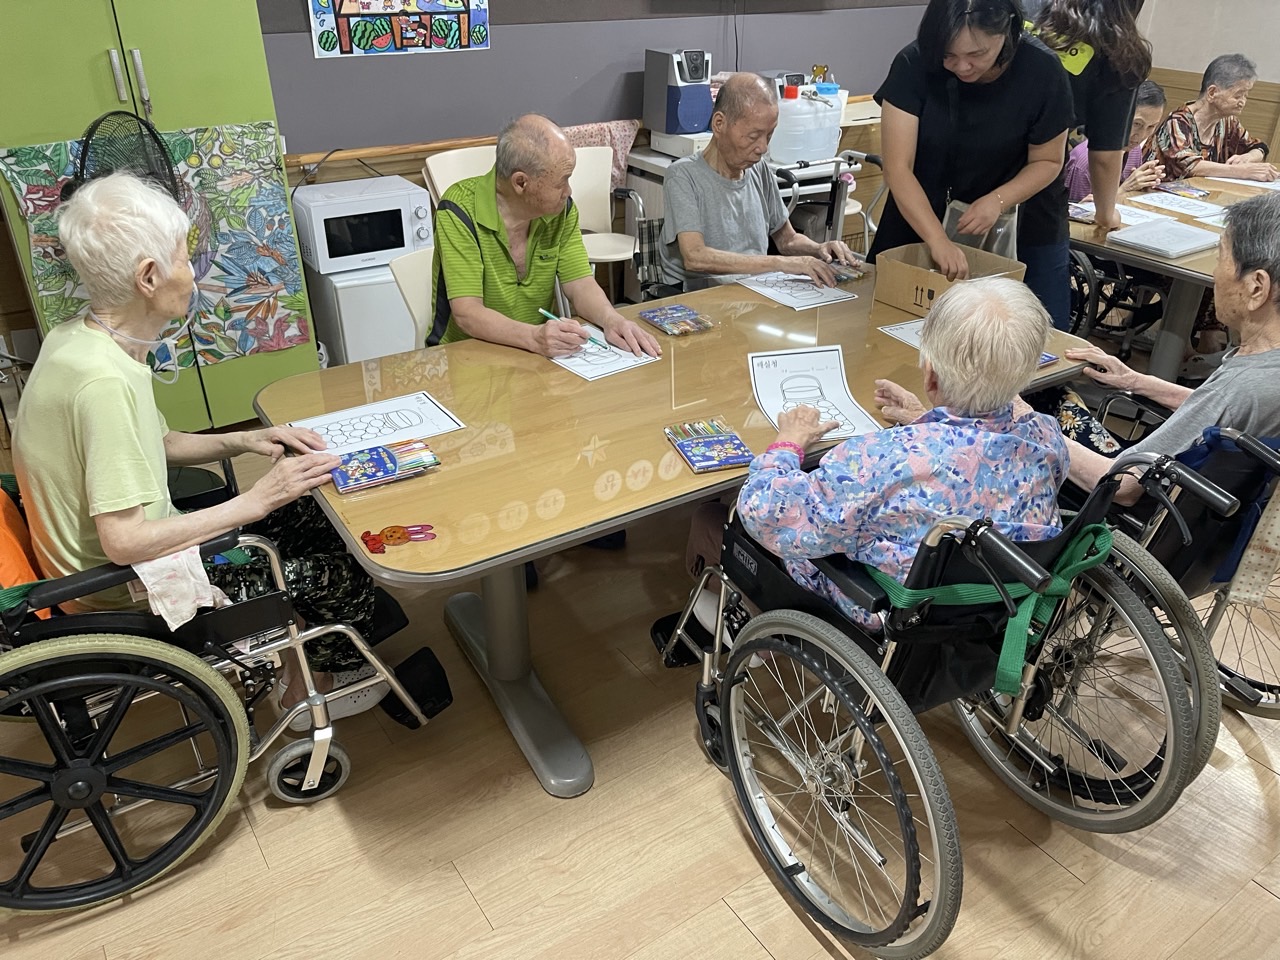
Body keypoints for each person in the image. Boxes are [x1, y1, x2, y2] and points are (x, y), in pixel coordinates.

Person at [13, 172, 386, 720]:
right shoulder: (104, 385)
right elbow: (124, 541)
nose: (194, 272)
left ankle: (306, 652)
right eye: (185, 258)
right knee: (338, 575)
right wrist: (256, 501)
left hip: (107, 563)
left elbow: (155, 441)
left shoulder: (81, 340)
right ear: (149, 276)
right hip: (126, 589)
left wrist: (246, 439)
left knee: (314, 511)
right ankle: (310, 690)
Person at [655, 277, 1066, 649]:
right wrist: (923, 420)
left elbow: (764, 513)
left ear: (931, 376)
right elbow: (968, 465)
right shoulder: (1046, 439)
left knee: (713, 518)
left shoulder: (879, 460)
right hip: (989, 608)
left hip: (882, 612)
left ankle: (738, 619)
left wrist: (788, 443)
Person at [1011, 191, 1280, 504]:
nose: (1214, 272)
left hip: (1128, 498)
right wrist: (1134, 380)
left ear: (1256, 287)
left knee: (1042, 400)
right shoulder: (1261, 370)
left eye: (1221, 256)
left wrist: (1027, 422)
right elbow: (1217, 413)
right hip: (1190, 490)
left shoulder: (1239, 387)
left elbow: (1122, 486)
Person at [869, 0, 1075, 325]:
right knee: (893, 326)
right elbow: (898, 168)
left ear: (1006, 30)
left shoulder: (1042, 70)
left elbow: (1048, 160)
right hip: (921, 213)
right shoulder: (915, 62)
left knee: (1020, 333)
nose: (962, 67)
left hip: (1019, 222)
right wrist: (937, 240)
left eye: (977, 54)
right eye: (948, 55)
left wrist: (997, 200)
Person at [431, 114, 661, 359]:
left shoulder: (561, 211)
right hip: (466, 355)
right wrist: (534, 337)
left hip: (533, 353)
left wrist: (611, 319)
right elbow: (467, 313)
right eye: (562, 181)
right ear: (521, 183)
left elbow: (580, 283)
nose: (568, 191)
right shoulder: (458, 211)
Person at [656, 73, 860, 291]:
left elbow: (787, 240)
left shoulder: (759, 169)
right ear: (719, 124)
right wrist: (780, 263)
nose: (763, 148)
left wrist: (819, 248)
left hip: (751, 288)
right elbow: (695, 257)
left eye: (769, 136)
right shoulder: (683, 176)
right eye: (753, 136)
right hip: (698, 294)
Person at [1026, 0, 1154, 227]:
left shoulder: (1025, 9)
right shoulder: (1117, 49)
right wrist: (1106, 214)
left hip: (973, 167)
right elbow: (1105, 155)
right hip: (1038, 191)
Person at [1146, 54, 1277, 182]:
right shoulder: (1178, 122)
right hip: (1157, 192)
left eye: (1246, 96)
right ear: (1212, 92)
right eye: (1238, 96)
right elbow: (1190, 166)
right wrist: (1242, 171)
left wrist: (1249, 157)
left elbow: (1259, 146)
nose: (1243, 102)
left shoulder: (1228, 122)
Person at [1064, 79, 1168, 201]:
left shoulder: (1134, 151)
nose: (1141, 135)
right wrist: (1125, 189)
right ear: (1118, 115)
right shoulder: (1085, 163)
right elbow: (1080, 211)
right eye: (1137, 124)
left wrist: (1143, 188)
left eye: (1151, 127)